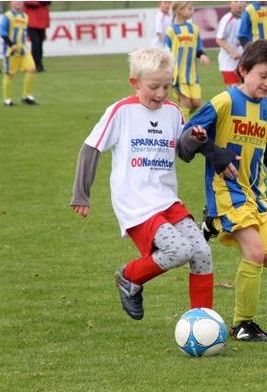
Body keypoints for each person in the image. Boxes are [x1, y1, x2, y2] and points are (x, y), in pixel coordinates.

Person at [70, 47, 237, 321]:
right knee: (179, 250)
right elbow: (91, 148)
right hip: (135, 202)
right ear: (135, 82)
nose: (161, 93)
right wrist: (81, 194)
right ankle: (129, 276)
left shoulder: (173, 111)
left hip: (167, 199)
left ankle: (203, 322)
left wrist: (194, 138)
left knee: (202, 252)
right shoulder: (121, 111)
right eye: (154, 86)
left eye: (167, 86)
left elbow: (183, 152)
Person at [184, 40, 267, 342]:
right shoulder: (224, 102)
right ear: (243, 70)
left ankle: (212, 224)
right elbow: (189, 134)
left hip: (256, 194)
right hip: (227, 191)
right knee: (255, 253)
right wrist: (214, 153)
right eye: (263, 75)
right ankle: (243, 323)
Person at [164, 1, 210, 120]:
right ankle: (182, 127)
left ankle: (178, 118)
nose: (192, 10)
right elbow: (166, 51)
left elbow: (198, 48)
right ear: (179, 10)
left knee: (196, 103)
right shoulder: (171, 31)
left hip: (192, 75)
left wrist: (202, 55)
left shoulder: (194, 29)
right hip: (178, 75)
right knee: (186, 103)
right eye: (189, 8)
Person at [0, 1, 37, 106]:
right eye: (16, 1)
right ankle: (7, 100)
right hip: (11, 50)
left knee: (32, 69)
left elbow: (24, 32)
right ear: (11, 3)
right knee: (10, 74)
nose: (18, 3)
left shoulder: (25, 16)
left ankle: (26, 96)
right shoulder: (8, 16)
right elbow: (3, 33)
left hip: (23, 49)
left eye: (20, 1)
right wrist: (11, 45)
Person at [215, 1, 245, 88]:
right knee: (235, 93)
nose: (239, 4)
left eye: (241, 1)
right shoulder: (227, 19)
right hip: (228, 64)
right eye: (235, 1)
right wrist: (232, 52)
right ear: (229, 3)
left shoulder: (244, 18)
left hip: (241, 62)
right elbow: (219, 39)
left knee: (244, 91)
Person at [23, 1, 50, 72]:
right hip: (31, 22)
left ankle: (39, 65)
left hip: (42, 22)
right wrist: (39, 2)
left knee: (40, 44)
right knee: (35, 43)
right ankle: (35, 64)